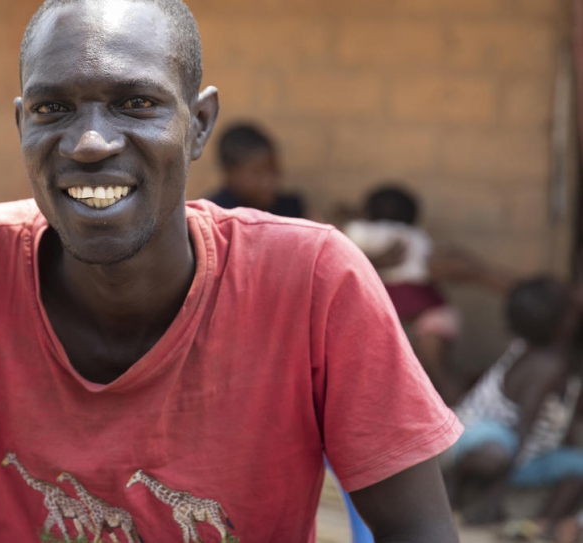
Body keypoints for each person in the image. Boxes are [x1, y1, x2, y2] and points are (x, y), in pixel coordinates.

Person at [0, 1, 461, 541]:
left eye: (137, 104)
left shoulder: (314, 282)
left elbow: (418, 528)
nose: (89, 142)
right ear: (21, 125)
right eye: (53, 109)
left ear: (199, 125)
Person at [343, 185, 511, 404]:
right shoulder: (419, 238)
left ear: (368, 212)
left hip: (394, 316)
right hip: (433, 313)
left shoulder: (365, 233)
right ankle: (461, 417)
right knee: (437, 374)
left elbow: (350, 238)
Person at [444, 277, 583, 532]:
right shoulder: (547, 366)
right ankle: (452, 485)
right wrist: (494, 500)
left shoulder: (540, 352)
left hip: (526, 454)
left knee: (578, 464)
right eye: (572, 310)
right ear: (563, 323)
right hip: (478, 436)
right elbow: (524, 428)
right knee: (499, 449)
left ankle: (542, 525)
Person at [205, 122, 306, 218]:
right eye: (257, 173)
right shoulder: (215, 215)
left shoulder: (291, 209)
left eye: (273, 169)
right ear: (230, 173)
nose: (268, 181)